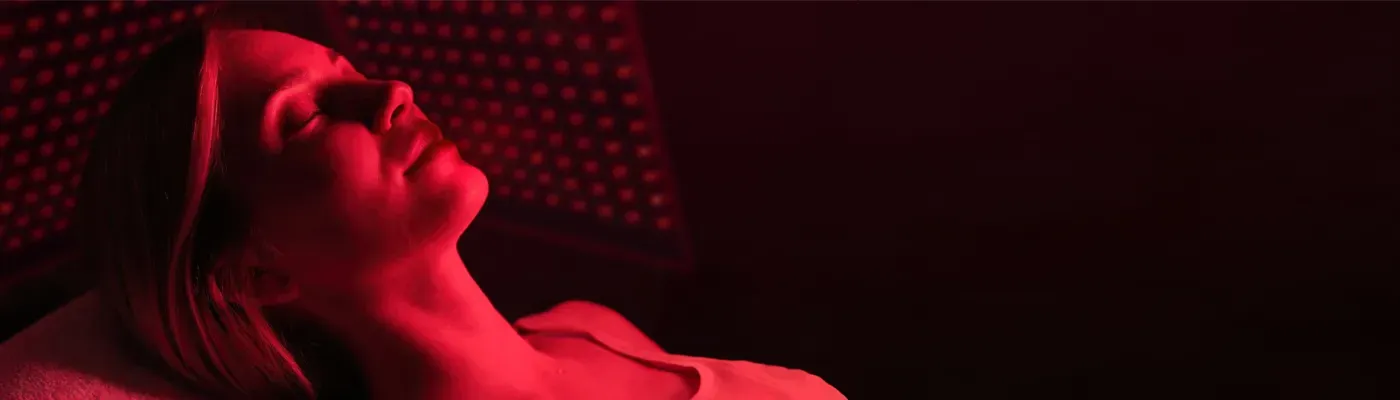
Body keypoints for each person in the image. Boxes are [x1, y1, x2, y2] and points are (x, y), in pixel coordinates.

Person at [0, 4, 844, 400]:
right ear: (256, 275)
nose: (390, 92)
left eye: (348, 73)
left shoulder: (587, 326)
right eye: (304, 119)